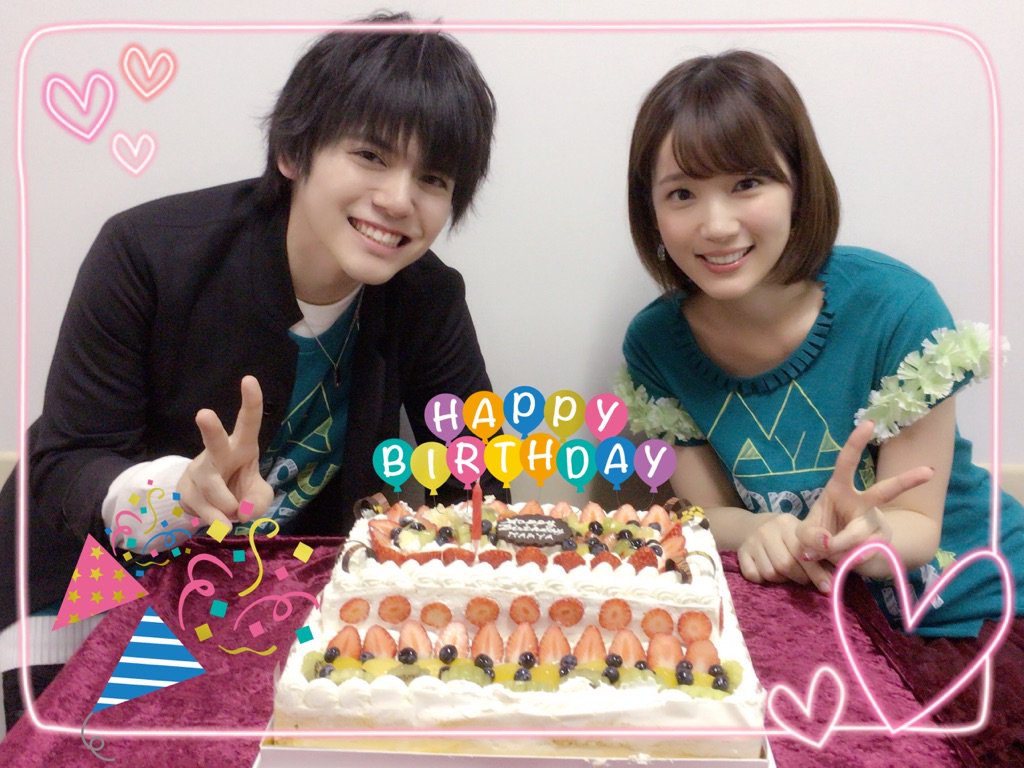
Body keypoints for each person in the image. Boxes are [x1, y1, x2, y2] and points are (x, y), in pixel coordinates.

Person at [0, 13, 502, 727]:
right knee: (105, 741)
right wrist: (179, 493)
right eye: (370, 155)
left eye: (433, 178)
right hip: (92, 574)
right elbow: (68, 461)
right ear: (295, 151)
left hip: (267, 592)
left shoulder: (428, 297)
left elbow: (474, 475)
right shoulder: (147, 254)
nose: (399, 199)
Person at [617, 50, 1024, 763]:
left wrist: (865, 531)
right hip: (826, 619)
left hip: (980, 607)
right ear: (649, 209)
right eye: (682, 193)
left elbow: (917, 527)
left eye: (747, 183)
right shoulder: (655, 344)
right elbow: (704, 515)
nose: (716, 224)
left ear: (799, 185)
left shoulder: (895, 307)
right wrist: (762, 529)